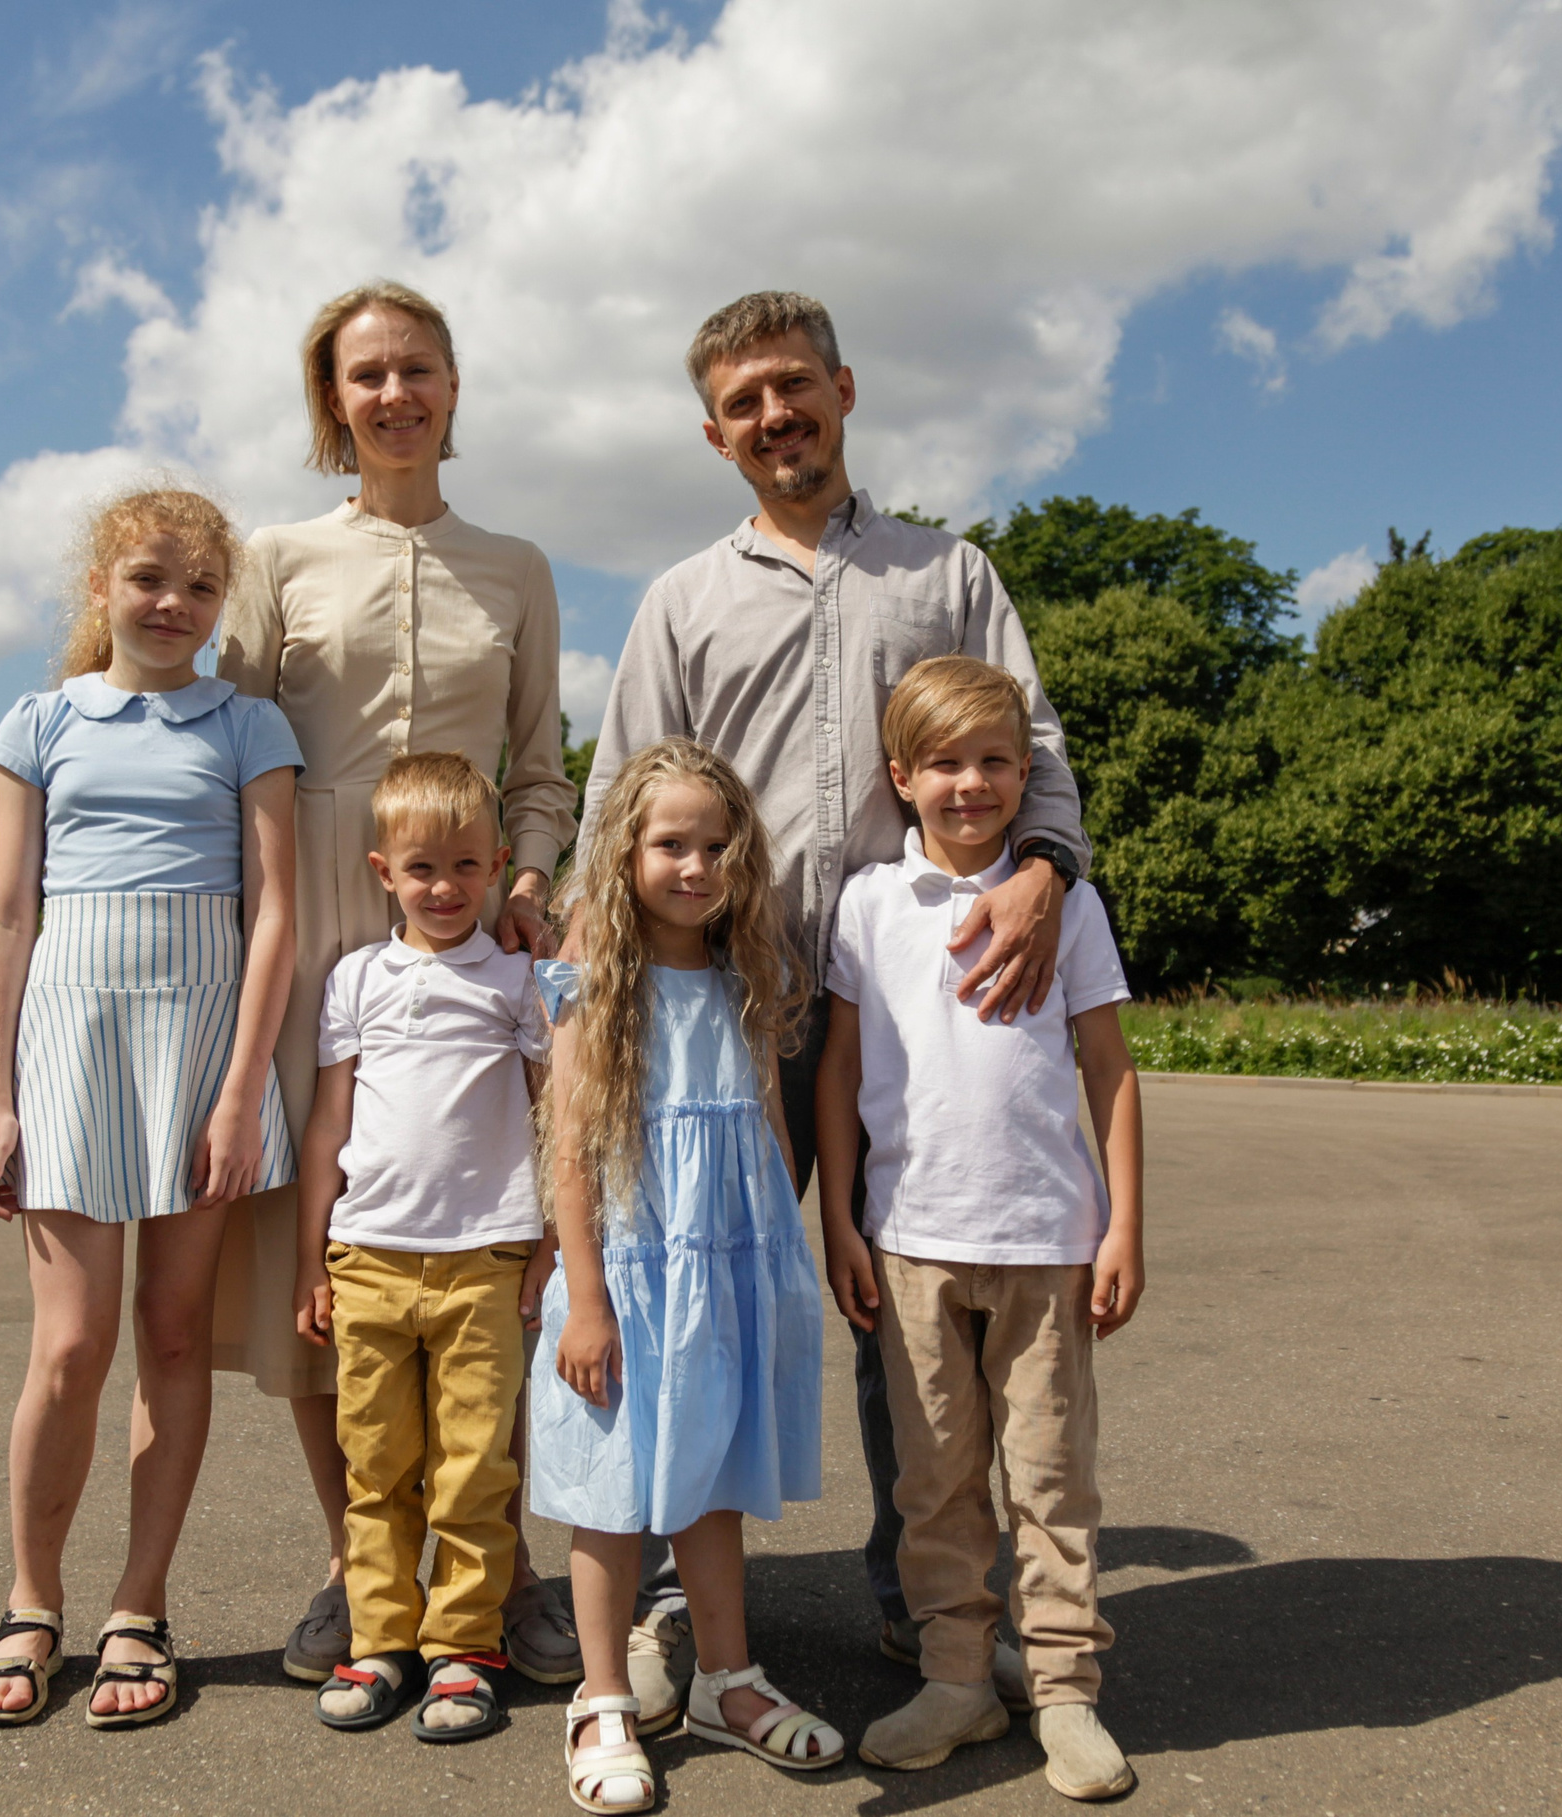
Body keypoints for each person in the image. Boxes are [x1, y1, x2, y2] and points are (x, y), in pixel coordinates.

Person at [582, 290, 1091, 1721]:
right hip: (714, 1010)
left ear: (845, 390)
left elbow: (1030, 752)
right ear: (713, 429)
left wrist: (1048, 868)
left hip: (906, 1011)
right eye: (745, 401)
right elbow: (625, 796)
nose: (774, 416)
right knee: (689, 1295)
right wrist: (589, 1002)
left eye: (794, 386)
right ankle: (676, 1603)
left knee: (903, 1312)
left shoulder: (948, 573)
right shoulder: (684, 598)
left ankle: (919, 1603)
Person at [214, 280, 581, 1686]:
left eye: (416, 367)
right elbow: (227, 739)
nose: (393, 394)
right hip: (316, 915)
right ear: (332, 401)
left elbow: (541, 766)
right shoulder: (278, 559)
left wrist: (531, 880)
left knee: (493, 1246)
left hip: (482, 933)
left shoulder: (519, 565)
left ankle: (503, 1566)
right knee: (336, 1265)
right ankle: (355, 1563)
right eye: (364, 374)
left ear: (452, 386)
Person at [0, 486, 301, 1730]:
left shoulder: (250, 725)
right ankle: (30, 1596)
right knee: (69, 1345)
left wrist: (240, 1089)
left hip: (202, 1042)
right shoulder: (40, 720)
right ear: (100, 585)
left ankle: (138, 1604)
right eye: (151, 578)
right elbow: (5, 917)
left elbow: (273, 912)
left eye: (203, 587)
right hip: (71, 1038)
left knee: (170, 1336)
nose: (175, 604)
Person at [816, 657, 1144, 1800]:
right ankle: (957, 1675)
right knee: (935, 1482)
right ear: (901, 777)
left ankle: (1061, 1691)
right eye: (944, 764)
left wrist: (1123, 1227)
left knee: (1050, 1480)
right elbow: (842, 1068)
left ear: (1025, 773)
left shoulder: (1071, 903)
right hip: (909, 1241)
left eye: (995, 761)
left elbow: (1108, 1067)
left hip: (1047, 1241)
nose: (971, 784)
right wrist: (841, 1222)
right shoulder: (867, 903)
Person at [532, 739, 842, 1814]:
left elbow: (760, 1126)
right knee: (614, 1493)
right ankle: (604, 1694)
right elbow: (570, 1148)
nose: (697, 864)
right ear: (623, 852)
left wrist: (779, 1268)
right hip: (624, 1275)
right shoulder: (591, 982)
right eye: (671, 842)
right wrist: (585, 1294)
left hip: (727, 1271)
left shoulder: (742, 975)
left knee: (710, 1481)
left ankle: (727, 1680)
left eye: (717, 845)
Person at [290, 752, 556, 1743]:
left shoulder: (520, 980)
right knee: (377, 1464)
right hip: (366, 1255)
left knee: (475, 1466)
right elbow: (328, 1126)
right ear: (381, 870)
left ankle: (464, 1646)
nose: (442, 888)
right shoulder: (356, 977)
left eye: (462, 866)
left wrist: (550, 1246)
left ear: (495, 864)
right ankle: (380, 1639)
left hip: (486, 1254)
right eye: (420, 869)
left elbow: (552, 1119)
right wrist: (311, 1258)